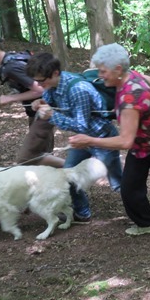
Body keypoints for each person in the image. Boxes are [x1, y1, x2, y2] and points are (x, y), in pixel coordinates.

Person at [68, 43, 150, 236]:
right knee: (129, 186)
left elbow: (124, 142)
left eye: (103, 71)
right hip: (141, 144)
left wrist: (89, 140)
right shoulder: (130, 76)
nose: (100, 75)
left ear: (118, 69)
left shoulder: (130, 97)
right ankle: (147, 223)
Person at [26, 52, 123, 223]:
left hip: (103, 138)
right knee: (68, 175)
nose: (39, 84)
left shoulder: (78, 90)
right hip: (82, 141)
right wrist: (40, 103)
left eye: (42, 80)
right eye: (37, 81)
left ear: (55, 73)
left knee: (117, 182)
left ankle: (138, 211)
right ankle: (82, 213)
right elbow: (50, 102)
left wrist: (52, 116)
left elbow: (81, 125)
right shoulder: (53, 87)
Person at [0, 28, 63, 168]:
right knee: (39, 156)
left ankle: (72, 170)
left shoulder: (10, 66)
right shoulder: (9, 61)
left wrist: (11, 98)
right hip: (38, 111)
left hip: (44, 111)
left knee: (31, 158)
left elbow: (40, 90)